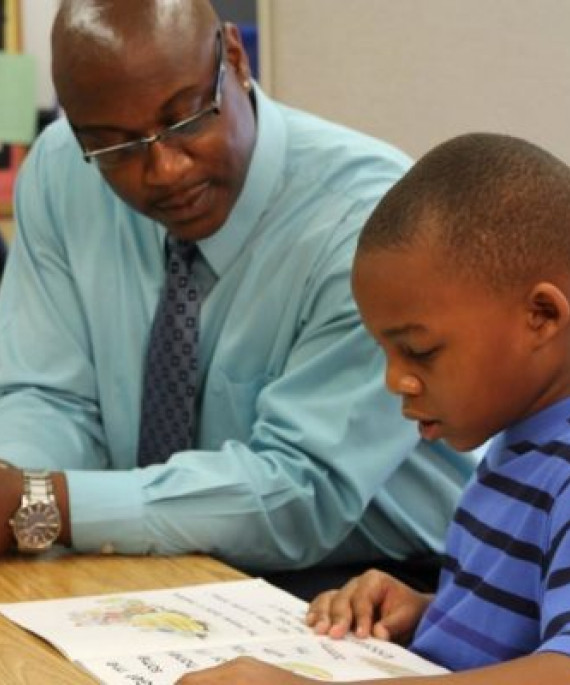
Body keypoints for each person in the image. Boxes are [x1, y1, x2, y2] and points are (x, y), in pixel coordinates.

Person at [0, 0, 476, 586]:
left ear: (234, 57)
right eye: (117, 147)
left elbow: (302, 491)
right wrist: (12, 484)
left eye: (185, 120)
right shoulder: (61, 173)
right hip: (143, 554)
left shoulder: (368, 223)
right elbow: (49, 397)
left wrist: (43, 504)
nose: (165, 170)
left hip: (373, 579)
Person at [176, 132, 570, 684]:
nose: (395, 380)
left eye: (420, 350)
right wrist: (432, 611)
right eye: (383, 351)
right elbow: (532, 624)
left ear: (542, 317)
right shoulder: (522, 438)